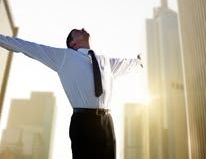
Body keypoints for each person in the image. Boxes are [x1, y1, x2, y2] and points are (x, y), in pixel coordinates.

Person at [0, 28, 143, 159]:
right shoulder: (64, 57)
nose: (82, 29)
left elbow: (127, 64)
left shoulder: (105, 61)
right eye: (77, 31)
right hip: (83, 121)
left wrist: (140, 62)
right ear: (73, 43)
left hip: (107, 123)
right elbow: (27, 47)